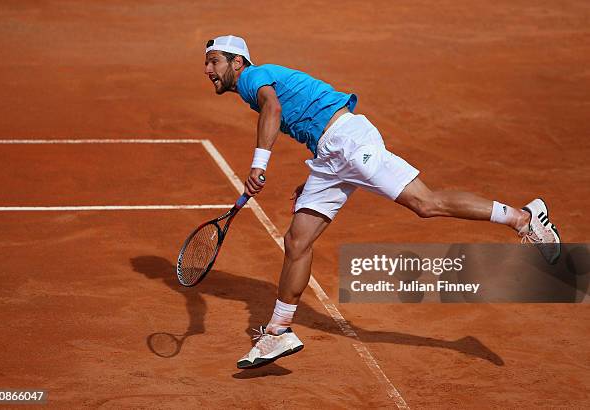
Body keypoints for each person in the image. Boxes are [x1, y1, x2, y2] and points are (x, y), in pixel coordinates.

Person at [203, 35, 561, 369]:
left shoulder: (253, 79)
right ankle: (277, 334)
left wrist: (259, 165)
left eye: (215, 61)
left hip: (349, 145)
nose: (208, 70)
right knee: (297, 240)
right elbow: (304, 118)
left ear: (238, 62)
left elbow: (273, 109)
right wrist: (314, 179)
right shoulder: (256, 84)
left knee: (425, 203)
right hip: (331, 155)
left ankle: (523, 218)